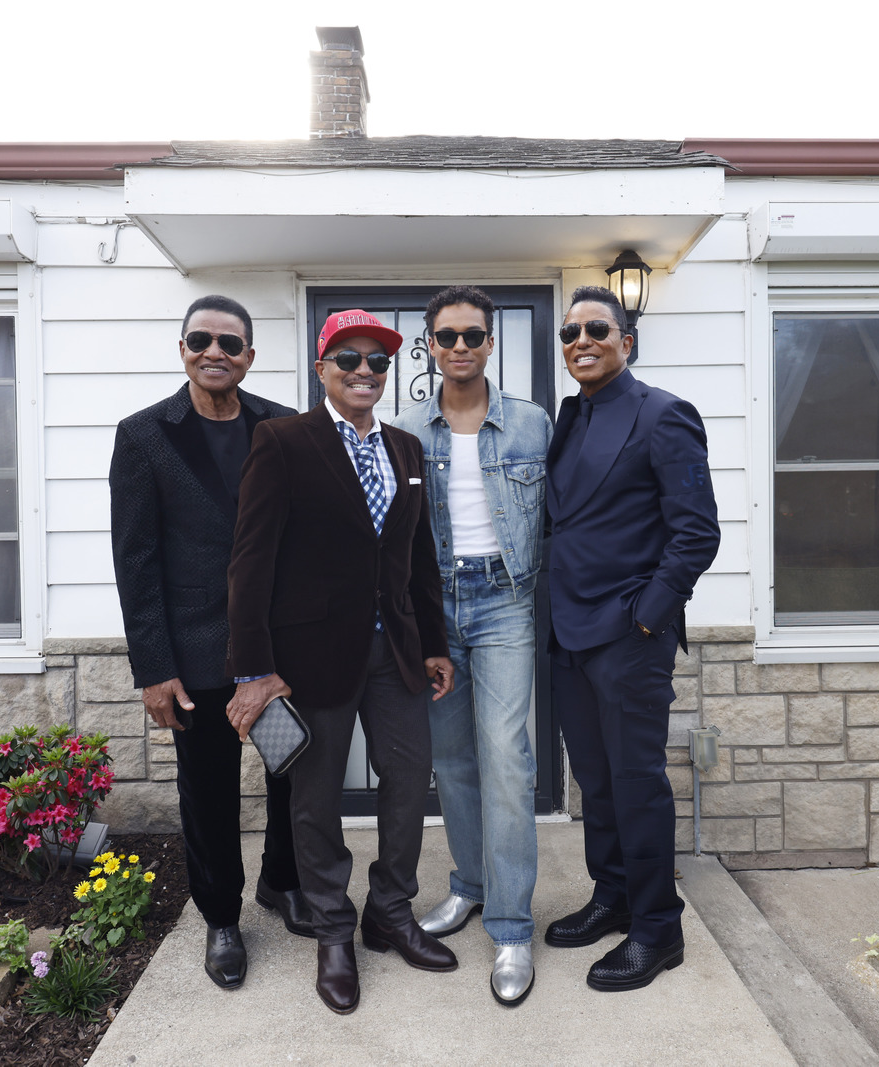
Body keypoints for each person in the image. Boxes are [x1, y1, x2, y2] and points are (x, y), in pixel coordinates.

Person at [225, 309, 458, 1015]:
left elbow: (418, 557)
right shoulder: (282, 441)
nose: (365, 370)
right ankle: (333, 930)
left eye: (378, 361)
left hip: (396, 652)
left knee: (410, 776)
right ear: (322, 367)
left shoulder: (406, 449)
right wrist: (252, 668)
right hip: (311, 656)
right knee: (316, 798)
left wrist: (435, 643)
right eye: (349, 358)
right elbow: (251, 559)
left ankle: (389, 908)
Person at [108, 294, 312, 992]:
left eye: (230, 342)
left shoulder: (283, 426)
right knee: (210, 791)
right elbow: (134, 563)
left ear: (249, 356)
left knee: (291, 771)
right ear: (184, 349)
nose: (214, 351)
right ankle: (222, 917)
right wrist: (154, 667)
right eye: (201, 339)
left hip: (273, 657)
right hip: (195, 662)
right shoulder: (143, 437)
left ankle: (283, 884)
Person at [543, 285, 721, 992]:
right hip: (568, 633)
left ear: (627, 340)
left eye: (596, 328)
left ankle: (657, 928)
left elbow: (697, 531)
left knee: (638, 784)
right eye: (569, 332)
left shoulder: (663, 414)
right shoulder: (572, 415)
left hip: (627, 634)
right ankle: (612, 895)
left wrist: (646, 615)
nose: (580, 340)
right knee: (596, 780)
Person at [392, 286, 551, 1007]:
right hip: (437, 609)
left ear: (491, 344)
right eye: (447, 336)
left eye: (472, 336)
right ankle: (470, 886)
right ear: (430, 345)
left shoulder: (531, 424)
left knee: (507, 758)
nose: (460, 347)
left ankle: (513, 925)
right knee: (452, 759)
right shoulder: (403, 433)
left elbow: (560, 522)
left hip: (505, 603)